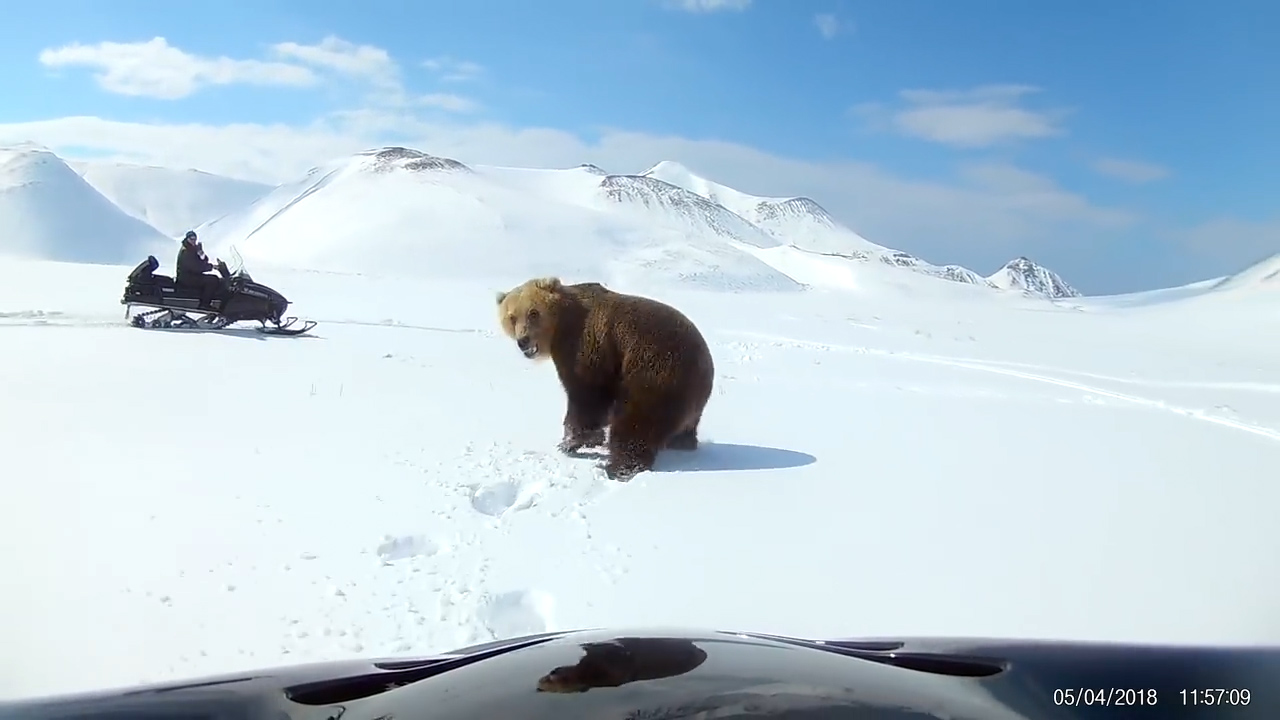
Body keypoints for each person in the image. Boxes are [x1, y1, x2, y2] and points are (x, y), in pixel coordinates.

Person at [175, 230, 223, 310]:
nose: (193, 241)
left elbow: (204, 260)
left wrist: (202, 255)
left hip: (192, 275)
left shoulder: (193, 248)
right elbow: (195, 267)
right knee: (212, 280)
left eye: (194, 239)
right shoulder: (185, 251)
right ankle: (204, 304)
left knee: (214, 279)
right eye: (191, 239)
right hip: (186, 277)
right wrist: (211, 267)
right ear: (187, 239)